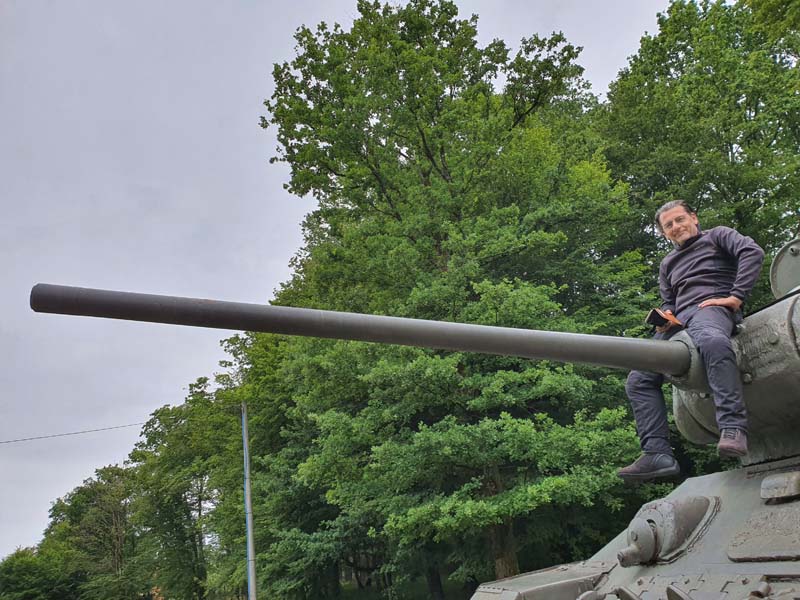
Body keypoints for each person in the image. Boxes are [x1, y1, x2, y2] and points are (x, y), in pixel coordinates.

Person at [617, 200, 765, 482]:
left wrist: (735, 296)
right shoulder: (667, 263)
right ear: (664, 233)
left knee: (712, 342)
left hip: (711, 307)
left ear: (693, 218)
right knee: (639, 378)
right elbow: (669, 301)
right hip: (679, 321)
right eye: (668, 225)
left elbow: (751, 251)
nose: (676, 227)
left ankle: (733, 427)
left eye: (680, 219)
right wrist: (666, 316)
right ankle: (656, 453)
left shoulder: (718, 236)